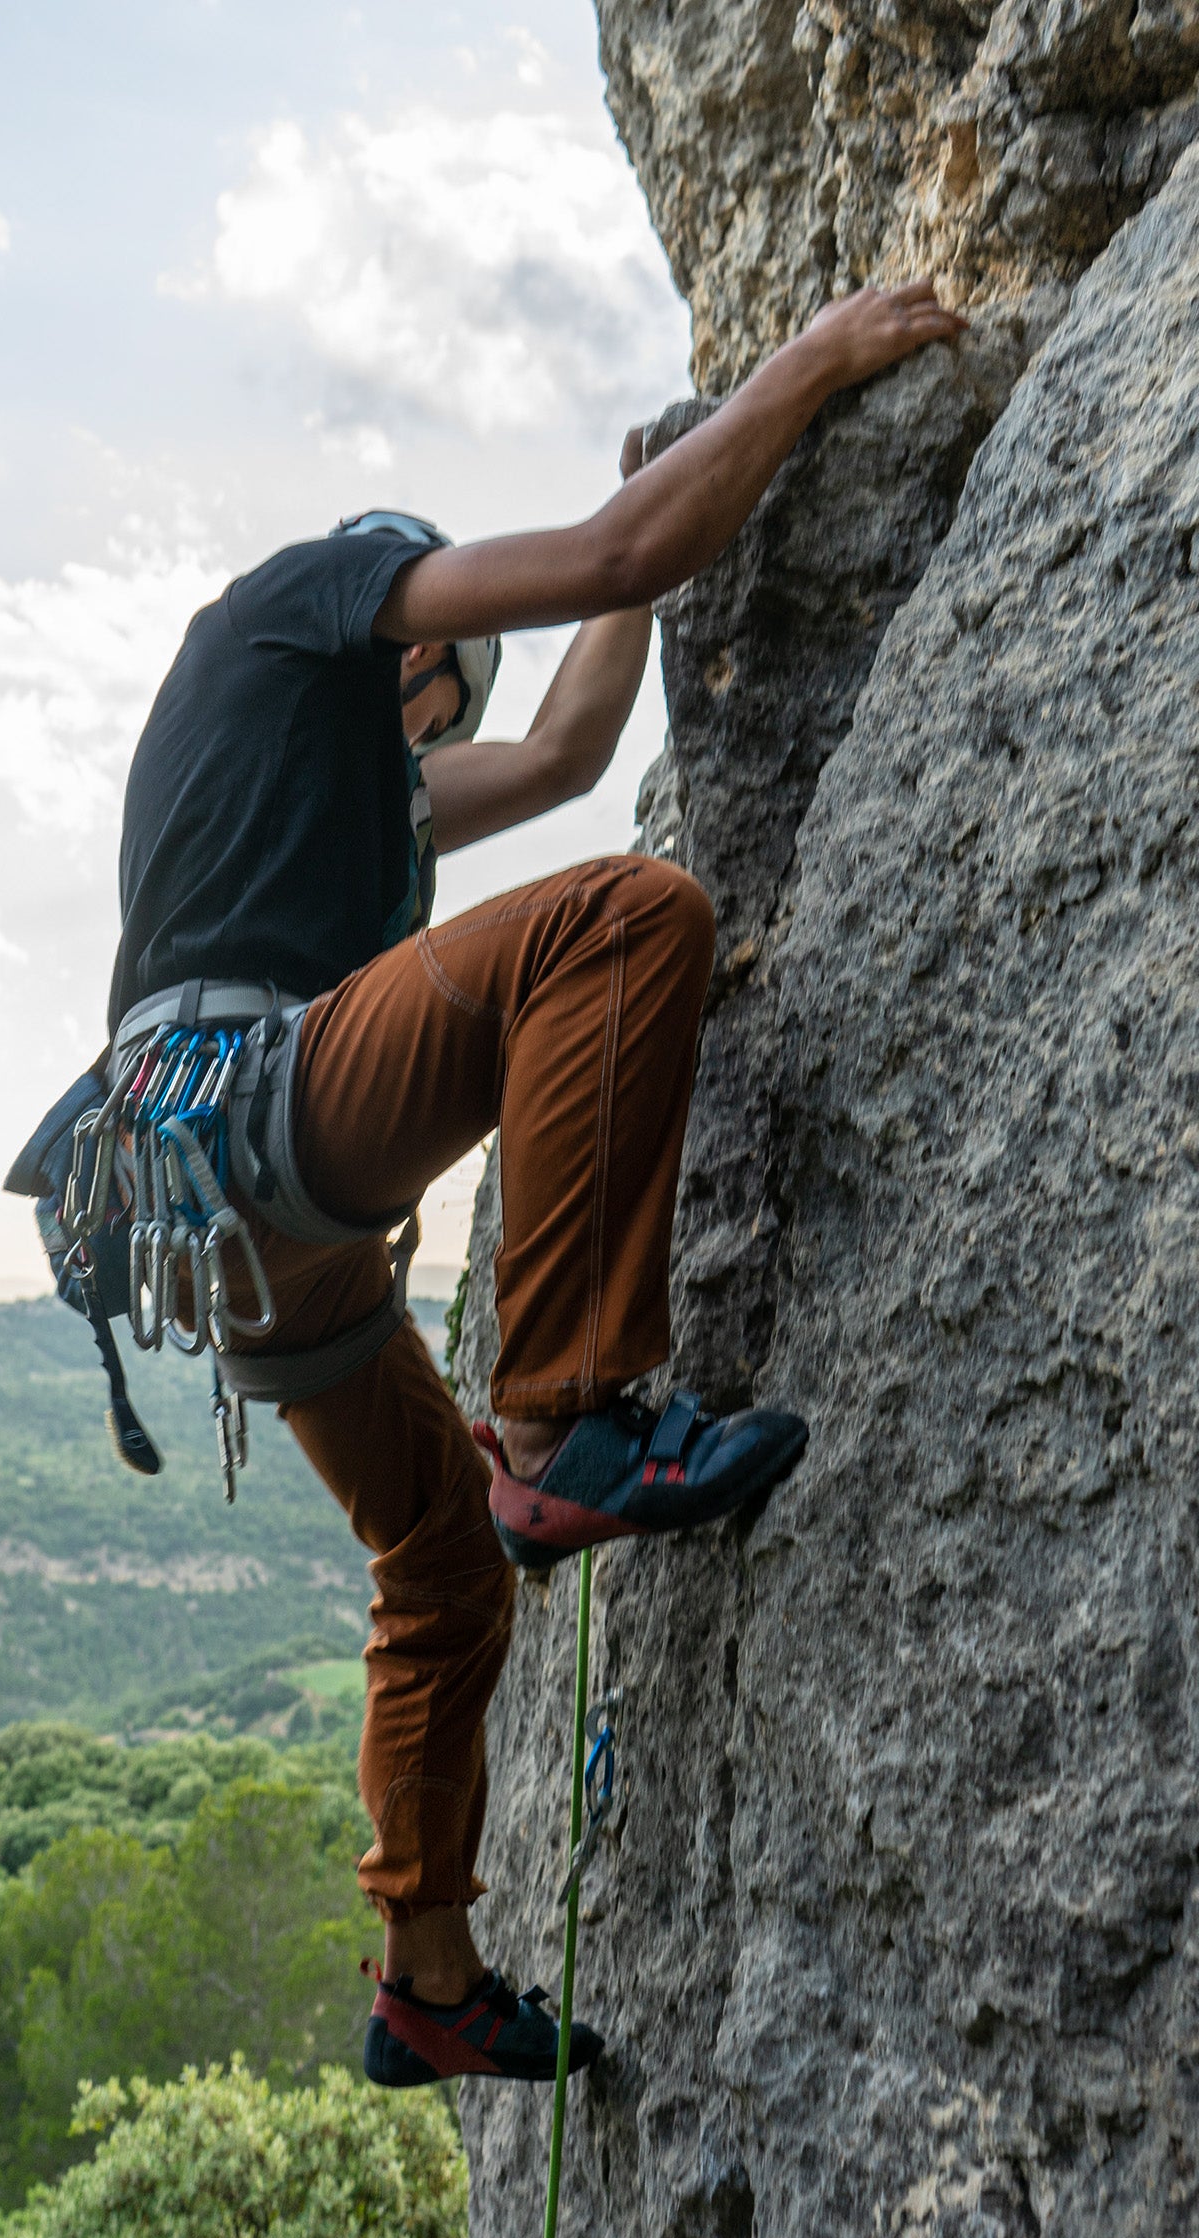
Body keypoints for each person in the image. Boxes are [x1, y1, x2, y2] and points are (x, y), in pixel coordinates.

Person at [106, 280, 966, 2087]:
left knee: (440, 1560)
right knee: (626, 917)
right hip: (252, 1109)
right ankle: (575, 1416)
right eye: (437, 695)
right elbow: (604, 552)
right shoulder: (302, 609)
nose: (438, 730)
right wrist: (803, 367)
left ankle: (426, 1982)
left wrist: (640, 564)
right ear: (402, 631)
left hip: (229, 1227)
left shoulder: (350, 797)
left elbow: (575, 744)